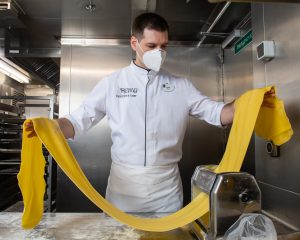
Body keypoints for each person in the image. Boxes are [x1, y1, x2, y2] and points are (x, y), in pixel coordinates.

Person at [25, 12, 235, 213]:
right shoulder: (112, 83)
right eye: (151, 46)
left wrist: (246, 105)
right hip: (123, 187)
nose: (159, 53)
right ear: (134, 43)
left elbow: (218, 113)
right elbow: (77, 121)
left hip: (166, 188)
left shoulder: (181, 86)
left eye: (164, 46)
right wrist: (50, 127)